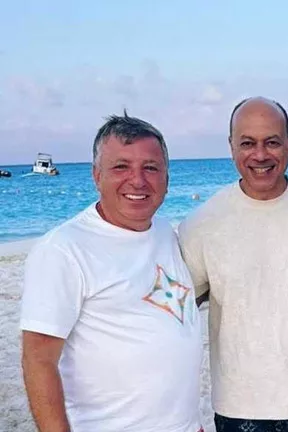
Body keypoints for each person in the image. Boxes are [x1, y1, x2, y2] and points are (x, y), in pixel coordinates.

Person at [20, 113, 203, 432]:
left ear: (167, 177)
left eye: (151, 167)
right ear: (96, 175)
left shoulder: (164, 231)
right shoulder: (64, 250)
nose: (138, 180)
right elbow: (38, 360)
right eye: (121, 167)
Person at [178, 97, 288, 432]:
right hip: (238, 406)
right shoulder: (200, 225)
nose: (260, 155)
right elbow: (176, 318)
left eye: (272, 142)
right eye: (247, 143)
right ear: (231, 147)